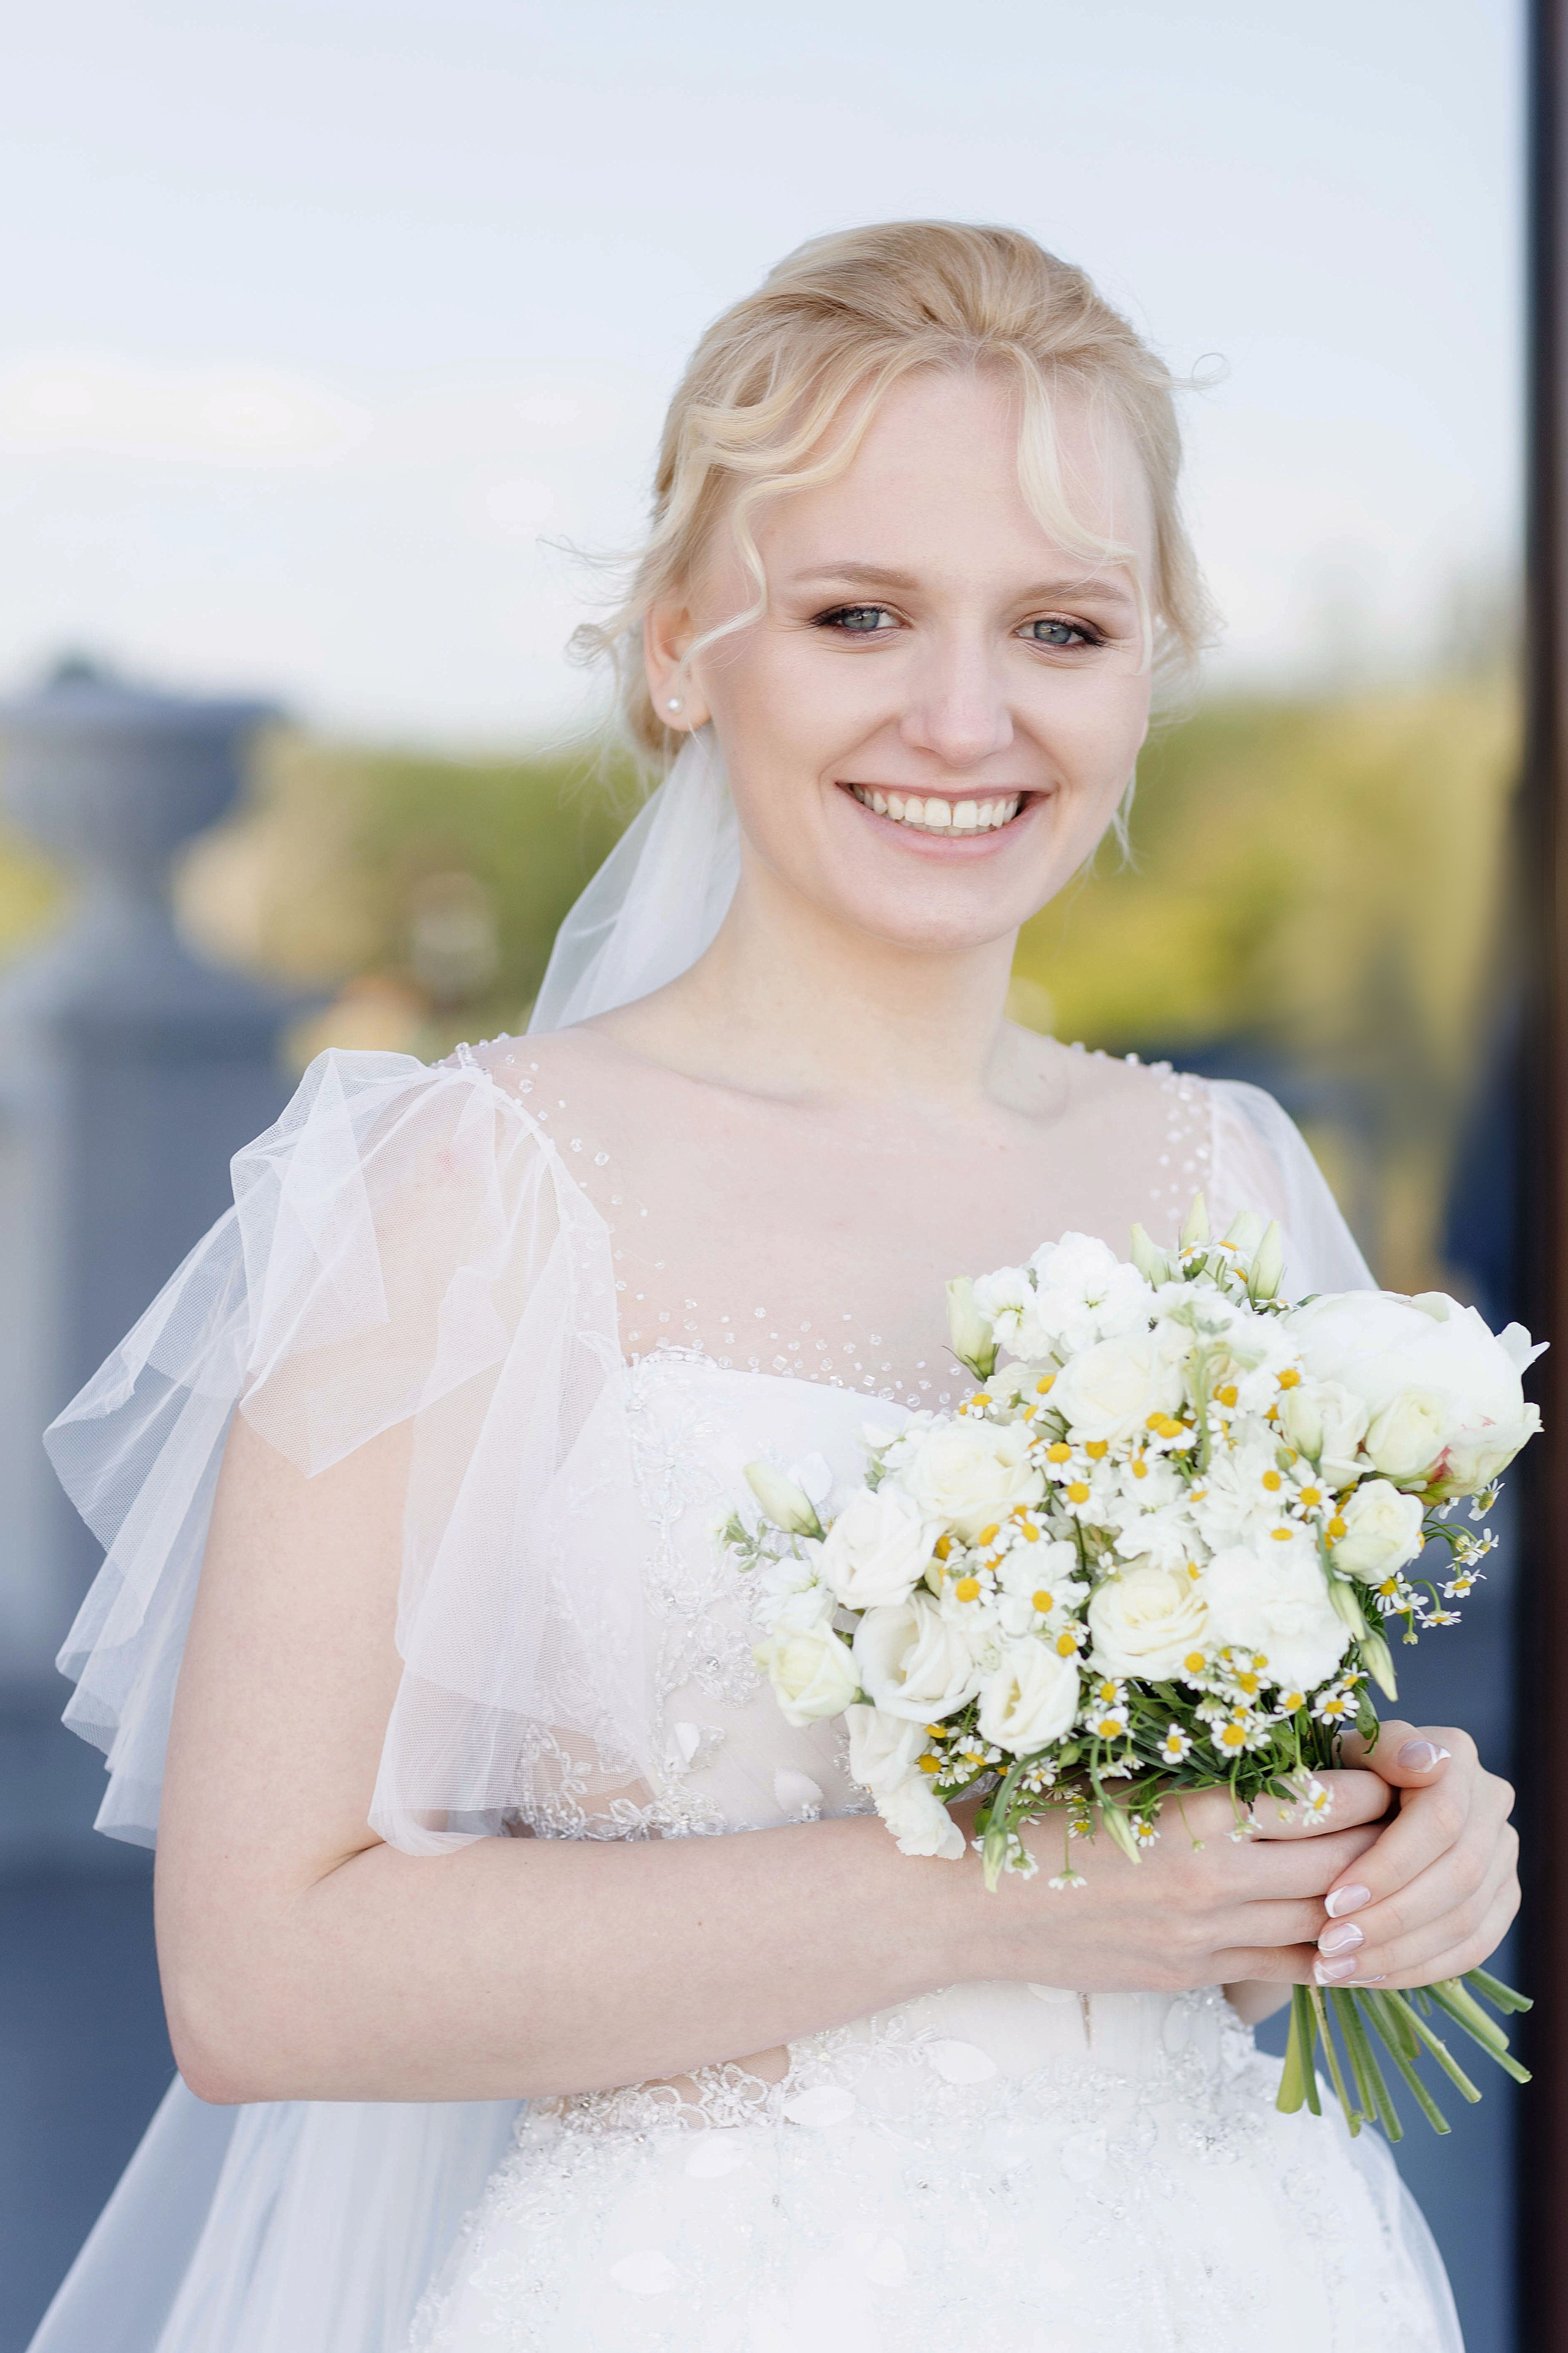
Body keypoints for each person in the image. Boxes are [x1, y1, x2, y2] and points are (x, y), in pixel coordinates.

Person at [30, 222, 1514, 2353]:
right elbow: (262, 1979)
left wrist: (1404, 1856)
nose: (967, 714)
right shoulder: (463, 1192)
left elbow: (1229, 1800)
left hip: (1241, 2274)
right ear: (673, 651)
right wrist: (996, 1894)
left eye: (1064, 627)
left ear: (1148, 668)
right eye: (859, 614)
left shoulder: (1230, 1176)